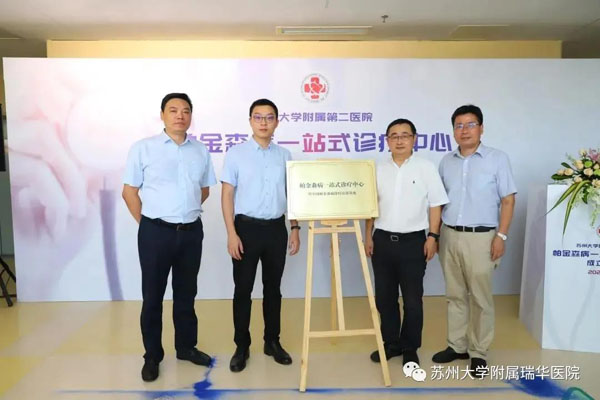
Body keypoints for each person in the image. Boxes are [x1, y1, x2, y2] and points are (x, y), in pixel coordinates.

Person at [122, 93, 217, 382]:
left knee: (186, 293)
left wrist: (182, 213)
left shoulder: (200, 150)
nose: (180, 115)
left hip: (190, 232)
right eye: (173, 110)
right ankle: (152, 355)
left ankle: (186, 347)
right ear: (162, 114)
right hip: (155, 233)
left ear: (191, 116)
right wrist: (150, 224)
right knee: (152, 296)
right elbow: (129, 192)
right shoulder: (143, 148)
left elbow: (204, 190)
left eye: (186, 111)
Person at [433, 104, 516, 378]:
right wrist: (435, 234)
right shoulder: (446, 161)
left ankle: (478, 351)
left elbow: (508, 200)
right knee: (455, 294)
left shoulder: (497, 159)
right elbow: (438, 201)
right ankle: (456, 345)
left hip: (482, 238)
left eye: (470, 124)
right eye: (459, 125)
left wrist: (501, 236)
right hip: (450, 235)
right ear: (453, 131)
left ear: (481, 128)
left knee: (481, 298)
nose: (464, 130)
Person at [221, 98, 300, 373]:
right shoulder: (236, 154)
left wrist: (295, 228)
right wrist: (231, 233)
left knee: (273, 289)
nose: (263, 122)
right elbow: (227, 195)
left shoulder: (284, 155)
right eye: (258, 117)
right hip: (246, 229)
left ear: (277, 122)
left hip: (276, 229)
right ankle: (241, 346)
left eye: (269, 117)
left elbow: (292, 195)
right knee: (243, 290)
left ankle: (272, 342)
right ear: (250, 121)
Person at [365, 118, 448, 367]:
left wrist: (433, 236)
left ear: (414, 139)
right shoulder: (377, 169)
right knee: (385, 298)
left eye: (405, 135)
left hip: (414, 242)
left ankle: (410, 346)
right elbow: (370, 206)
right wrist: (368, 235)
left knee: (413, 300)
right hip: (382, 240)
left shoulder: (426, 168)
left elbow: (436, 204)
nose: (399, 140)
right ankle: (391, 343)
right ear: (387, 140)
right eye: (394, 136)